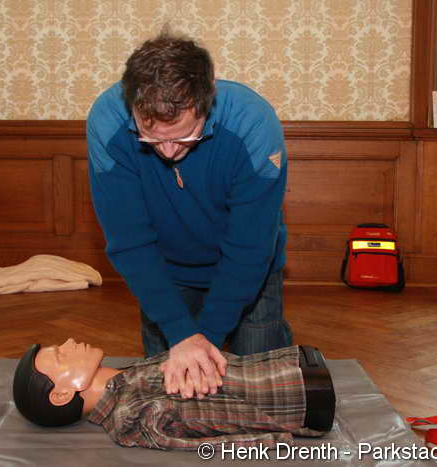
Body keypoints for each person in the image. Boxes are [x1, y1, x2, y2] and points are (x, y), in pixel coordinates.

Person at [86, 29, 291, 401]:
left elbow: (249, 248)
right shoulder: (107, 121)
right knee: (170, 396)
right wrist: (181, 333)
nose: (167, 151)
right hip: (164, 273)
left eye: (184, 136)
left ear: (206, 100)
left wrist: (204, 341)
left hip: (250, 270)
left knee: (263, 390)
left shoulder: (254, 123)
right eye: (151, 137)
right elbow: (129, 242)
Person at [13, 339, 335, 451]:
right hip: (300, 394)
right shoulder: (131, 414)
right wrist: (276, 441)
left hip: (290, 366)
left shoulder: (123, 379)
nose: (70, 343)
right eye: (60, 355)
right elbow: (203, 441)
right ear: (61, 395)